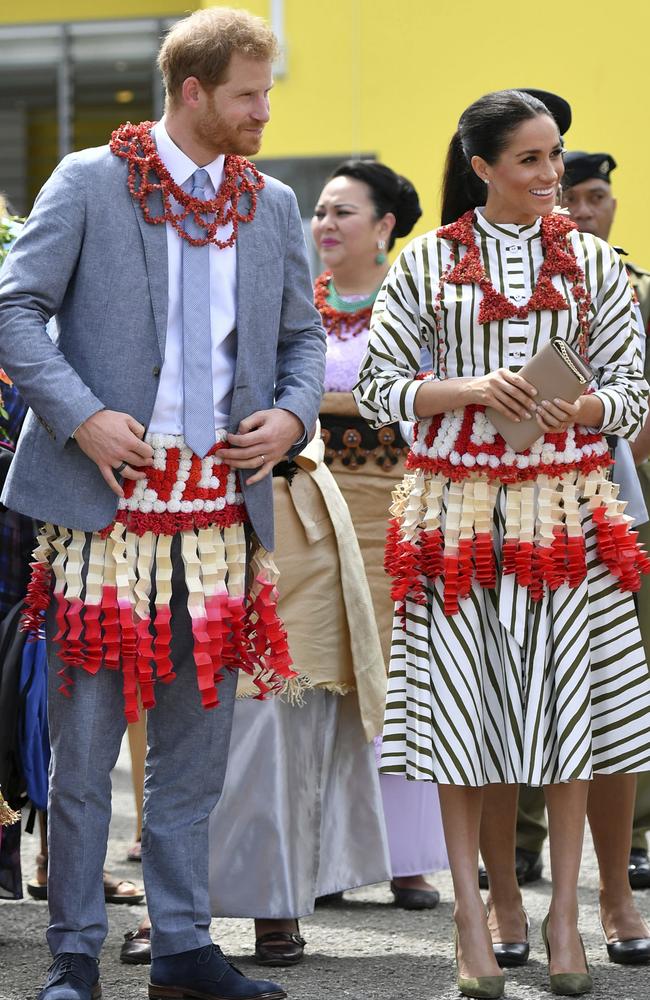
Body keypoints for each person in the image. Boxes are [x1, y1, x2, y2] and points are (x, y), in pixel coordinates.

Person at [0, 8, 325, 1000]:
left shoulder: (269, 203)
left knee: (194, 750)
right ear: (191, 93)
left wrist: (289, 419)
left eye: (264, 94)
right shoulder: (92, 180)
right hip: (108, 511)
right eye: (246, 95)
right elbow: (13, 306)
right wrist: (83, 415)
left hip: (221, 515)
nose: (262, 112)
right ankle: (71, 959)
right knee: (86, 749)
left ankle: (182, 945)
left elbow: (302, 342)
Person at [355, 89, 650, 998]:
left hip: (566, 513)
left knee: (570, 714)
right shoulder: (424, 265)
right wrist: (471, 389)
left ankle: (567, 915)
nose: (551, 174)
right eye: (530, 159)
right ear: (481, 167)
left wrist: (586, 406)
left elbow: (635, 394)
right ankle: (473, 921)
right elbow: (379, 390)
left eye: (555, 155)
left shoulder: (599, 265)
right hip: (456, 516)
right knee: (459, 718)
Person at [511, 148, 650, 964]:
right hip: (497, 501)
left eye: (595, 192)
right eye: (566, 186)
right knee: (515, 683)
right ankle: (520, 850)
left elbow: (636, 396)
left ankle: (617, 881)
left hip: (606, 499)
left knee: (609, 691)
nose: (583, 205)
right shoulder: (465, 268)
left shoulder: (619, 282)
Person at [313, 159, 448, 905]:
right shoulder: (296, 303)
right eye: (321, 212)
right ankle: (330, 857)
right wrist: (358, 401)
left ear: (386, 226)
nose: (325, 225)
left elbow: (420, 403)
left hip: (399, 509)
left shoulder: (418, 305)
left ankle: (406, 858)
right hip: (314, 512)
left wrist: (328, 402)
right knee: (325, 676)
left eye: (343, 212)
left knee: (401, 680)